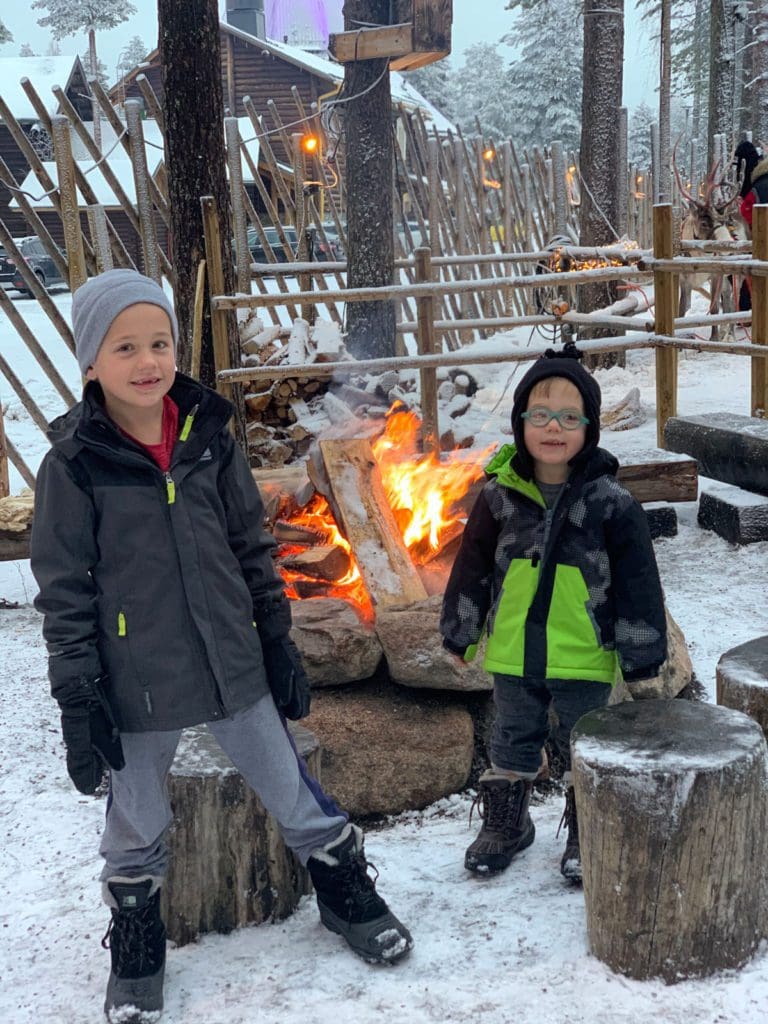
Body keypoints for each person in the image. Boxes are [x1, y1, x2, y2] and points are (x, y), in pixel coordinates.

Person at [30, 269, 413, 1024]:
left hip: (233, 662)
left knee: (290, 784)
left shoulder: (209, 438)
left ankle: (341, 888)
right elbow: (64, 588)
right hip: (135, 678)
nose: (148, 362)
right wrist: (78, 694)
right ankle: (138, 932)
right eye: (125, 347)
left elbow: (250, 544)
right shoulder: (75, 465)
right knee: (135, 817)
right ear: (90, 363)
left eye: (160, 342)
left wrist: (275, 637)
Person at [440, 344, 667, 883]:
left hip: (583, 651)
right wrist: (460, 634)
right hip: (516, 650)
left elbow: (638, 582)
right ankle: (508, 822)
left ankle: (589, 825)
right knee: (511, 736)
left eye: (570, 416)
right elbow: (470, 570)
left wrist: (641, 656)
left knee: (581, 742)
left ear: (590, 426)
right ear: (521, 422)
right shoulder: (498, 497)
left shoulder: (610, 501)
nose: (553, 428)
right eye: (539, 415)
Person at [734, 140, 768, 310]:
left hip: (761, 238)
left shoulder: (757, 186)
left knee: (753, 268)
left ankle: (749, 311)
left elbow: (747, 209)